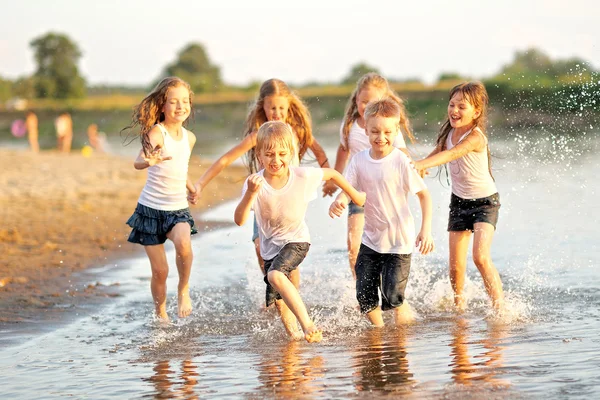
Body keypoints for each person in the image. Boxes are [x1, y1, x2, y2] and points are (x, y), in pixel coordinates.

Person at [234, 121, 365, 342]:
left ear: (291, 153)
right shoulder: (254, 183)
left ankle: (308, 325)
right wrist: (250, 194)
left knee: (275, 275)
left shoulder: (301, 175)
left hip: (297, 240)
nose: (276, 160)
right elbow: (239, 220)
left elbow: (332, 174)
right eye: (270, 154)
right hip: (270, 247)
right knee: (279, 300)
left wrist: (355, 195)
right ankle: (294, 340)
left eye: (282, 154)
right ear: (259, 155)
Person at [191, 78, 330, 281]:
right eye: (271, 107)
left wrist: (329, 180)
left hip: (291, 197)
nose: (277, 112)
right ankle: (274, 290)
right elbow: (225, 159)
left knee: (289, 247)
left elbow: (320, 153)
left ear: (289, 105)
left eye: (281, 107)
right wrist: (201, 183)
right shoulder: (259, 136)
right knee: (260, 246)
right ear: (262, 107)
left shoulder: (297, 131)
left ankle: (290, 293)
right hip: (264, 197)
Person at [329, 98, 434, 327]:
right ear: (366, 129)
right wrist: (339, 200)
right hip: (371, 239)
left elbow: (424, 196)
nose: (381, 137)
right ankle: (379, 331)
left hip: (399, 242)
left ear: (396, 131)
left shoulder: (401, 161)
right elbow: (348, 188)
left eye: (387, 132)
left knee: (392, 296)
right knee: (364, 295)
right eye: (375, 131)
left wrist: (426, 231)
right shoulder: (358, 161)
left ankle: (403, 334)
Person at [412, 81, 504, 312]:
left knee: (480, 258)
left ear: (477, 112)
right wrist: (419, 168)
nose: (454, 110)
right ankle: (459, 306)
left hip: (485, 202)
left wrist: (420, 163)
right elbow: (439, 153)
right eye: (452, 104)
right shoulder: (449, 132)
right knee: (455, 267)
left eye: (462, 106)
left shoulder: (476, 138)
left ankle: (500, 308)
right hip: (459, 202)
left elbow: (453, 154)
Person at [322, 73, 416, 280]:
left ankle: (389, 283)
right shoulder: (349, 126)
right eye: (363, 101)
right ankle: (361, 288)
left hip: (386, 192)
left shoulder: (389, 126)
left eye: (372, 101)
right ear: (356, 99)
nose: (367, 106)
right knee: (353, 244)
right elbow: (343, 150)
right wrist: (333, 180)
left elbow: (402, 152)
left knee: (386, 245)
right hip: (357, 191)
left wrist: (414, 167)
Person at [123, 76, 199, 322]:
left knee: (184, 246)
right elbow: (137, 162)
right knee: (160, 271)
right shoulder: (157, 133)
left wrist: (191, 187)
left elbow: (181, 166)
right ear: (162, 106)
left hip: (178, 210)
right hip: (150, 212)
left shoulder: (190, 138)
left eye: (185, 101)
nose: (180, 107)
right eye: (173, 102)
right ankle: (161, 313)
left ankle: (183, 289)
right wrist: (149, 161)